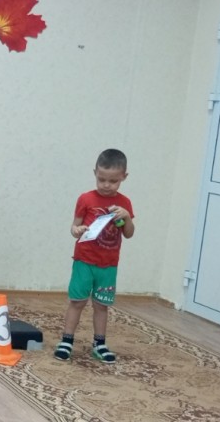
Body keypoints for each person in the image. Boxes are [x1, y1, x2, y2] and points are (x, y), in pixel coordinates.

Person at [54, 148, 135, 363]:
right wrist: (77, 230)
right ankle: (67, 340)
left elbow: (128, 234)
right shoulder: (86, 198)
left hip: (108, 264)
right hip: (84, 261)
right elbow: (74, 227)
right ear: (95, 173)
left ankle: (99, 344)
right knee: (77, 302)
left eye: (113, 181)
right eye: (101, 179)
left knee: (101, 305)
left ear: (124, 177)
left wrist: (127, 218)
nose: (106, 185)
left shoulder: (125, 203)